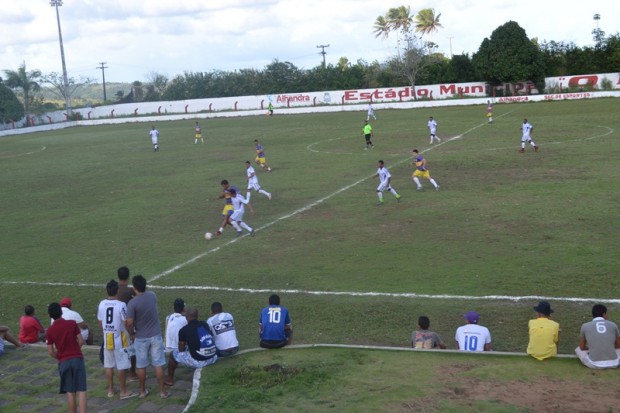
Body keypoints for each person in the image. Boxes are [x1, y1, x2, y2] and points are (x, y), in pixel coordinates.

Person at [126, 275, 169, 399]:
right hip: (155, 335)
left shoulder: (132, 303)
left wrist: (132, 333)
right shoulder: (152, 295)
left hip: (141, 337)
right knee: (158, 364)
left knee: (141, 365)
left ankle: (142, 391)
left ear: (134, 287)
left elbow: (129, 323)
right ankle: (162, 392)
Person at [97, 280, 138, 400]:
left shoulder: (101, 304)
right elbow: (127, 323)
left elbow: (100, 323)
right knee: (121, 365)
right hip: (120, 339)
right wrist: (131, 334)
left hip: (107, 338)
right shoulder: (121, 305)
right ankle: (123, 391)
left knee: (108, 365)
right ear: (117, 291)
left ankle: (110, 390)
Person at [46, 302, 87, 413]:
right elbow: (81, 341)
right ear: (61, 312)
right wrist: (76, 350)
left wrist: (60, 356)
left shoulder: (50, 331)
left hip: (64, 361)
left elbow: (50, 351)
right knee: (81, 389)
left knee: (70, 390)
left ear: (49, 316)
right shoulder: (72, 324)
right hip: (77, 359)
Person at [165, 308, 217, 386]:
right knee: (194, 348)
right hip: (213, 357)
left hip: (201, 361)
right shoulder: (204, 324)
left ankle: (170, 380)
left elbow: (181, 350)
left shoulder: (184, 330)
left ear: (186, 317)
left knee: (173, 355)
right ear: (197, 316)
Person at [575, 304, 620, 369]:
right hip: (614, 363)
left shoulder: (585, 326)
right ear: (604, 314)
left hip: (594, 364)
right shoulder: (613, 325)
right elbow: (619, 345)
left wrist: (591, 349)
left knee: (578, 349)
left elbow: (582, 347)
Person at [116, 266, 137, 380]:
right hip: (127, 322)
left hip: (117, 324)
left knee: (121, 347)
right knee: (132, 347)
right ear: (128, 276)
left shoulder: (115, 290)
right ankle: (132, 373)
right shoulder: (130, 290)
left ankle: (123, 369)